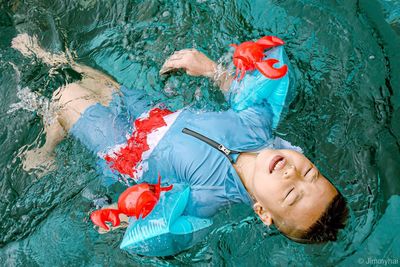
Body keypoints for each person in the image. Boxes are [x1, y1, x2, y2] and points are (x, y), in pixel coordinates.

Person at [14, 34, 348, 252]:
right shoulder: (258, 128)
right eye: (311, 173)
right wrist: (211, 70)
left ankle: (44, 141)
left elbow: (159, 220)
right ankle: (52, 69)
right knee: (102, 86)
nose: (295, 175)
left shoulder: (209, 198)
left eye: (291, 194)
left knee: (65, 95)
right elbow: (241, 92)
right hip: (151, 115)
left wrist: (119, 215)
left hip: (122, 149)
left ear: (262, 212)